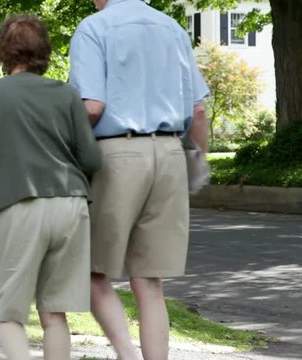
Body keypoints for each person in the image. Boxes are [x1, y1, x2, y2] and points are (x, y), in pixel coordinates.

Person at [68, 1, 210, 359]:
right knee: (149, 281)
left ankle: (127, 355)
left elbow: (92, 106)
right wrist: (199, 161)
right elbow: (197, 110)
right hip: (169, 155)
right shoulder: (172, 28)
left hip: (117, 154)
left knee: (91, 271)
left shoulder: (94, 27)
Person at [0, 15, 102, 360]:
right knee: (54, 314)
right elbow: (92, 158)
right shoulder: (67, 95)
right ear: (44, 51)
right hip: (70, 207)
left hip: (17, 206)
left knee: (8, 314)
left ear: (3, 52)